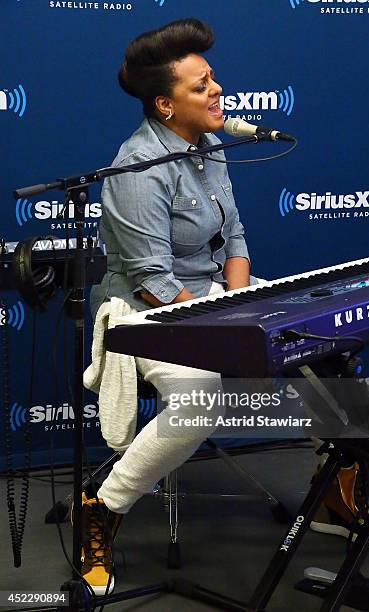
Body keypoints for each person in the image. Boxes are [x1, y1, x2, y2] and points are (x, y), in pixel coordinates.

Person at [82, 18, 255, 595]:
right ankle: (102, 505)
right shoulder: (135, 168)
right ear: (163, 104)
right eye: (201, 86)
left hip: (208, 294)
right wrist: (227, 329)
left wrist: (237, 303)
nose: (217, 92)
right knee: (199, 402)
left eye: (213, 79)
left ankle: (338, 485)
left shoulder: (210, 144)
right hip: (144, 310)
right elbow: (154, 281)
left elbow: (234, 239)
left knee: (322, 352)